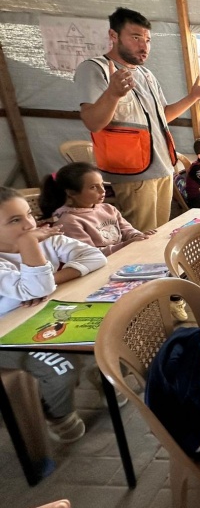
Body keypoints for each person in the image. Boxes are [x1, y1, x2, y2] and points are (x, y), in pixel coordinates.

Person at [75, 7, 200, 232]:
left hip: (161, 167)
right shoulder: (95, 69)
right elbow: (93, 122)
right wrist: (113, 94)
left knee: (159, 235)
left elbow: (164, 116)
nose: (144, 46)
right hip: (133, 173)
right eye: (135, 37)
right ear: (113, 36)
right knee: (139, 239)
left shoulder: (146, 74)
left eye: (148, 40)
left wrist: (193, 97)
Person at [0, 186, 107, 443]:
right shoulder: (28, 244)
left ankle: (100, 374)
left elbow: (95, 256)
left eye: (28, 214)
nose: (29, 225)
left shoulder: (45, 239)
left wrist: (53, 280)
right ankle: (58, 414)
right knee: (61, 369)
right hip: (8, 337)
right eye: (15, 220)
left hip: (42, 321)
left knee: (107, 333)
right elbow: (35, 288)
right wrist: (29, 246)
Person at [39, 162, 156, 256]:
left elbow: (127, 230)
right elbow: (91, 256)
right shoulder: (69, 221)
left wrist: (137, 236)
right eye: (93, 187)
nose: (102, 191)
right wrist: (126, 245)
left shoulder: (109, 209)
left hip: (123, 257)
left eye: (102, 185)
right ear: (71, 192)